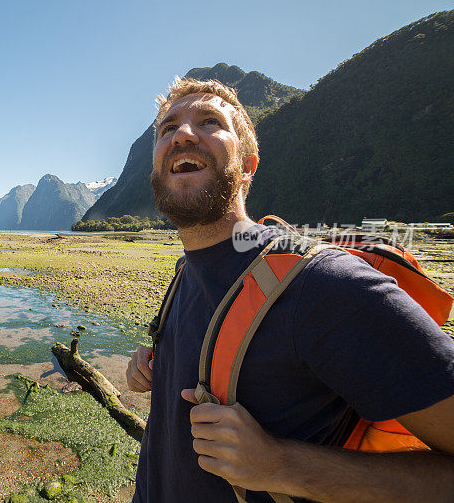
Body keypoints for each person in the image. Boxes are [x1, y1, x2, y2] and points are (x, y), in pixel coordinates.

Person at [126, 77, 454, 502]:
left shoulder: (323, 285)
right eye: (168, 128)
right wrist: (155, 365)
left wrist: (282, 465)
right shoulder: (184, 273)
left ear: (247, 166)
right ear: (155, 165)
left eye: (209, 122)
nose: (183, 134)